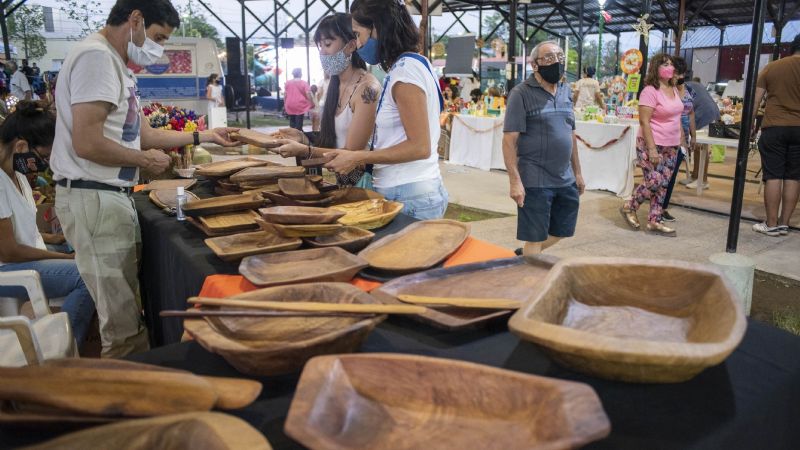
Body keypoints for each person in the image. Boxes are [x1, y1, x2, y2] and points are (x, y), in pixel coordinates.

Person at [50, 0, 240, 357]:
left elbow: (143, 134)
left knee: (127, 311)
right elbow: (87, 142)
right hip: (95, 197)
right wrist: (143, 160)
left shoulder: (115, 64)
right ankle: (129, 387)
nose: (160, 48)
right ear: (135, 20)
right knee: (121, 325)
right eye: (159, 37)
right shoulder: (97, 58)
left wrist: (203, 136)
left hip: (108, 197)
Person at [321, 0, 449, 219]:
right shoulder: (412, 65)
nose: (358, 44)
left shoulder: (405, 73)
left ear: (377, 28)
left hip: (409, 194)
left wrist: (357, 157)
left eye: (359, 35)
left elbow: (420, 147)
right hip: (408, 190)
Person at [0, 101, 95, 347]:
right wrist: (66, 258)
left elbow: (19, 232)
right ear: (21, 146)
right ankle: (62, 348)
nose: (44, 163)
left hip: (21, 257)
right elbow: (9, 251)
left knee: (88, 250)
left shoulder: (17, 174)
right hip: (8, 267)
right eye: (43, 156)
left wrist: (58, 239)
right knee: (87, 275)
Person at [273, 13, 380, 187]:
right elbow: (333, 141)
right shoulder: (334, 83)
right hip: (342, 183)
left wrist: (305, 150)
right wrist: (302, 137)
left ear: (351, 45)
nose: (322, 52)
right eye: (320, 46)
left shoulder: (367, 88)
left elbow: (350, 154)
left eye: (328, 44)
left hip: (363, 185)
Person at [502, 41, 584, 257]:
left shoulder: (566, 91)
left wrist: (577, 172)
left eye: (560, 57)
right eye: (549, 57)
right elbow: (509, 140)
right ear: (534, 65)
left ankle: (525, 255)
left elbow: (571, 134)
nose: (556, 62)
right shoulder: (521, 93)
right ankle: (529, 269)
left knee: (563, 230)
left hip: (565, 178)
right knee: (535, 237)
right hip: (535, 178)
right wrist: (514, 181)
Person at [620, 53, 683, 236]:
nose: (670, 67)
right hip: (651, 143)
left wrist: (682, 140)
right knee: (655, 181)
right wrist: (652, 148)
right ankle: (629, 206)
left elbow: (678, 116)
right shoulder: (650, 91)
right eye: (665, 64)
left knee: (663, 185)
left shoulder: (674, 89)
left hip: (672, 145)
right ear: (656, 68)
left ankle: (654, 220)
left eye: (671, 64)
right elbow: (644, 121)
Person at [750, 33, 800, 236]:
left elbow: (755, 101)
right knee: (794, 177)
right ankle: (784, 223)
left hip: (774, 127)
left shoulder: (772, 67)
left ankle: (771, 224)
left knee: (773, 176)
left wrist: (749, 127)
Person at [660, 56, 695, 222]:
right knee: (663, 175)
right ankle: (657, 207)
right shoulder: (666, 89)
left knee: (672, 175)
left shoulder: (688, 90)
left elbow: (691, 113)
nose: (679, 77)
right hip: (668, 137)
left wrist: (693, 136)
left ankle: (663, 208)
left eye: (681, 74)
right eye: (676, 73)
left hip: (683, 138)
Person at [681, 72, 721, 189]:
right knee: (698, 148)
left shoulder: (683, 88)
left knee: (702, 148)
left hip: (705, 115)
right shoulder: (693, 84)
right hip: (709, 113)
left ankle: (703, 180)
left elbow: (684, 110)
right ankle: (695, 176)